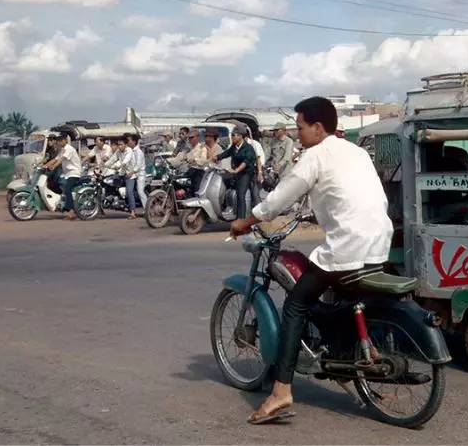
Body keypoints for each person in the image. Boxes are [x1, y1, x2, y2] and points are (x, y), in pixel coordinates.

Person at [229, 96, 395, 424]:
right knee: (341, 298)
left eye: (300, 126)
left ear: (318, 128)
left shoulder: (314, 155)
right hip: (378, 242)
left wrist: (246, 221)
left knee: (295, 305)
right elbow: (343, 193)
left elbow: (280, 197)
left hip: (347, 246)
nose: (297, 131)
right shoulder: (356, 151)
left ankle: (280, 392)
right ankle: (354, 356)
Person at [211, 126, 257, 219]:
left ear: (240, 136)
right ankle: (225, 207)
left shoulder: (248, 148)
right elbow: (227, 153)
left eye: (233, 135)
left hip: (246, 174)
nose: (232, 137)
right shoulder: (234, 147)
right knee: (221, 180)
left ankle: (241, 218)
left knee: (241, 195)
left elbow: (245, 162)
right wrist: (216, 157)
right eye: (231, 135)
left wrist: (236, 170)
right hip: (236, 173)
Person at [42, 132, 81, 221]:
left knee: (67, 189)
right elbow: (55, 159)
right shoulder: (63, 150)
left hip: (74, 173)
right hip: (66, 174)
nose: (58, 142)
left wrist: (53, 166)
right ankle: (62, 205)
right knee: (53, 184)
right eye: (58, 141)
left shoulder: (69, 149)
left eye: (60, 140)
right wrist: (44, 166)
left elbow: (61, 159)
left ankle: (71, 213)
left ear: (65, 140)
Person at [167, 128, 209, 194]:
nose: (190, 139)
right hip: (189, 171)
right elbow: (180, 157)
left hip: (198, 171)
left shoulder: (202, 148)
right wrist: (168, 161)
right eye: (189, 138)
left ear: (197, 137)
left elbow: (203, 160)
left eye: (192, 137)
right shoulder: (188, 148)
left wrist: (194, 160)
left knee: (196, 189)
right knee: (175, 181)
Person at [130, 133, 148, 211]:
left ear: (134, 141)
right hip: (134, 174)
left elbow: (138, 165)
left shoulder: (139, 152)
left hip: (140, 174)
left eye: (129, 141)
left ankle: (147, 209)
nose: (128, 142)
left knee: (140, 192)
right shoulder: (131, 151)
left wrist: (131, 172)